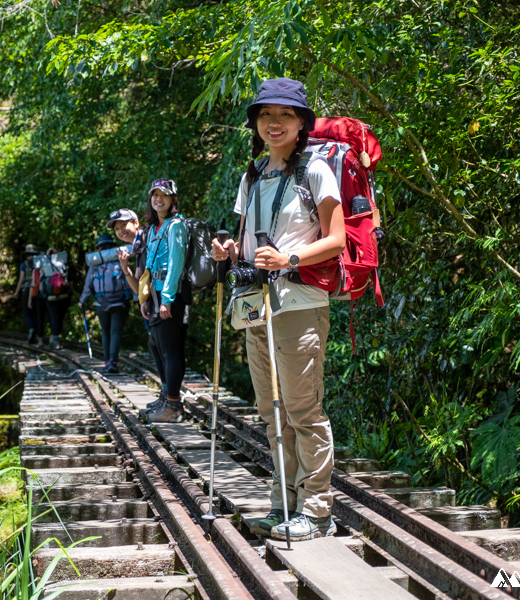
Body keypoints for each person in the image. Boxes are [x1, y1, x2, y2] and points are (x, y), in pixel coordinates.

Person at [211, 78, 345, 542]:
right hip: (258, 308)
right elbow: (251, 241)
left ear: (302, 123)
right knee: (271, 410)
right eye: (266, 114)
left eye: (286, 115)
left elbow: (336, 240)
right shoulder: (252, 176)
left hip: (300, 303)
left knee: (303, 410)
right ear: (255, 123)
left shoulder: (316, 171)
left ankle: (318, 510)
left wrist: (289, 259)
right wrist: (231, 250)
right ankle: (282, 502)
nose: (274, 122)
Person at [108, 208, 169, 410]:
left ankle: (170, 399)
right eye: (116, 229)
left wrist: (161, 300)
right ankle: (166, 394)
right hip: (153, 301)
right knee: (155, 345)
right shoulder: (137, 247)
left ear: (136, 223)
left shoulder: (150, 239)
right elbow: (138, 287)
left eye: (123, 225)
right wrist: (124, 267)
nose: (120, 231)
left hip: (165, 300)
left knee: (164, 348)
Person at [141, 179, 189, 423]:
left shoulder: (176, 226)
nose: (158, 199)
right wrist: (145, 297)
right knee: (155, 345)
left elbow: (175, 264)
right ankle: (166, 396)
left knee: (170, 350)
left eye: (164, 195)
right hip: (156, 296)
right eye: (155, 195)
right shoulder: (153, 229)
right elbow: (150, 267)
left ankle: (173, 405)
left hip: (172, 297)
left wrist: (167, 300)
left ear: (173, 200)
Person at [78, 233, 131, 373]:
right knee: (116, 332)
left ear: (100, 247)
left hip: (102, 303)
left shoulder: (95, 265)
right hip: (121, 303)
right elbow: (130, 280)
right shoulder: (120, 261)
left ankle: (107, 361)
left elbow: (88, 286)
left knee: (105, 332)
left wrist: (82, 301)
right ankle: (113, 361)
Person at [12, 244, 45, 345]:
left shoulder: (24, 264)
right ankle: (38, 335)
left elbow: (21, 279)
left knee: (27, 312)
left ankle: (31, 328)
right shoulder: (39, 264)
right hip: (39, 290)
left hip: (28, 289)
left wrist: (16, 291)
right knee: (37, 313)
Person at [41, 247, 71, 350]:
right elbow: (67, 281)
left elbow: (41, 285)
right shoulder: (61, 264)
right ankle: (56, 339)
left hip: (50, 297)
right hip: (63, 296)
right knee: (59, 317)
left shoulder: (44, 266)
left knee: (53, 317)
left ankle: (54, 339)